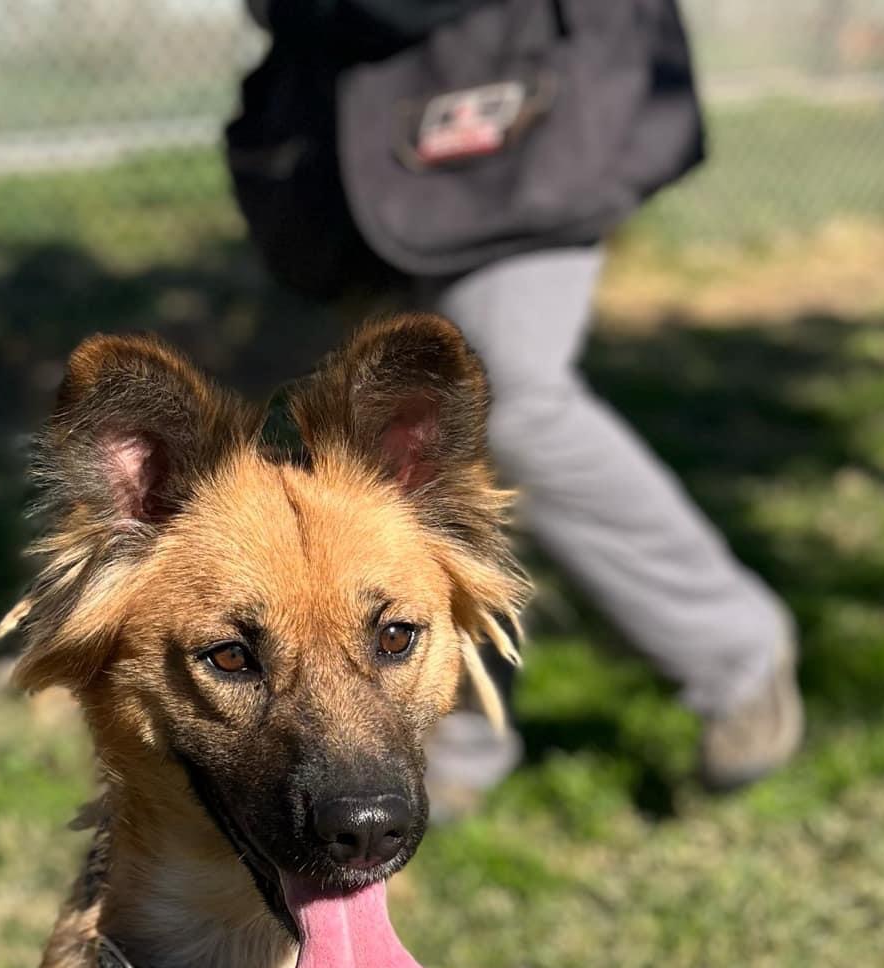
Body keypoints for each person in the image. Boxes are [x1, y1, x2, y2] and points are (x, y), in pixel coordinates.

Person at [228, 0, 803, 802]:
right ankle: (460, 730)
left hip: (518, 98)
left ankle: (736, 652)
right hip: (360, 128)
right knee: (388, 450)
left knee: (512, 400)